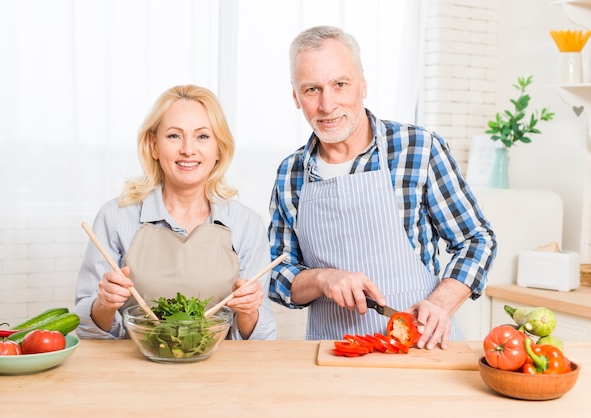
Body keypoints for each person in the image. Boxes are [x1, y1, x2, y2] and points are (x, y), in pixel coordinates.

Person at [268, 26, 496, 349]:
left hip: (421, 350)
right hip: (334, 357)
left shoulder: (418, 149)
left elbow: (477, 240)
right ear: (295, 97)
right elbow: (278, 276)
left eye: (340, 84)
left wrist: (441, 304)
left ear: (363, 84)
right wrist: (322, 278)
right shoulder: (289, 174)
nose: (327, 104)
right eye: (311, 90)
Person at [75, 84, 276, 341]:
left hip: (220, 373)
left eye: (202, 136)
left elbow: (261, 337)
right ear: (154, 146)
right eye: (174, 136)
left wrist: (248, 311)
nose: (188, 150)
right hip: (134, 371)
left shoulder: (247, 224)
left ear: (219, 149)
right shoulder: (115, 216)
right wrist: (104, 303)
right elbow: (85, 327)